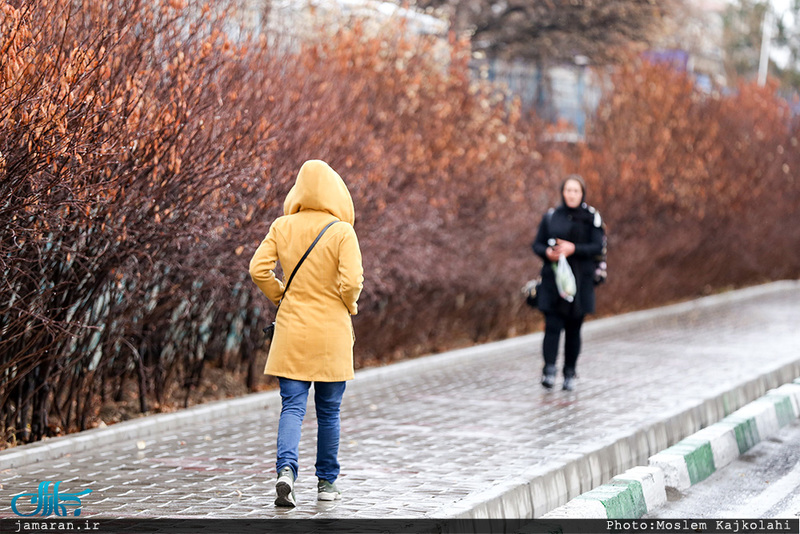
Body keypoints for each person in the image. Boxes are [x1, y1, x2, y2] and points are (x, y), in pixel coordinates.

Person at [249, 159, 364, 507]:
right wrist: (347, 304)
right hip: (331, 333)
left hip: (292, 331)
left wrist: (281, 295)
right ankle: (326, 485)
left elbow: (258, 269)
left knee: (292, 408)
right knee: (329, 411)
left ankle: (286, 472)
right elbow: (352, 282)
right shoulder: (342, 231)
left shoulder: (282, 226)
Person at [531, 174, 603, 391]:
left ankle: (570, 372)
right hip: (554, 282)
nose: (571, 194)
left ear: (582, 194)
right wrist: (547, 252)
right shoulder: (552, 216)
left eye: (576, 191)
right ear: (562, 192)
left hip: (581, 282)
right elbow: (536, 244)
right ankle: (549, 369)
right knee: (552, 326)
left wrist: (574, 249)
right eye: (568, 190)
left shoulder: (591, 218)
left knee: (573, 329)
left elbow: (598, 247)